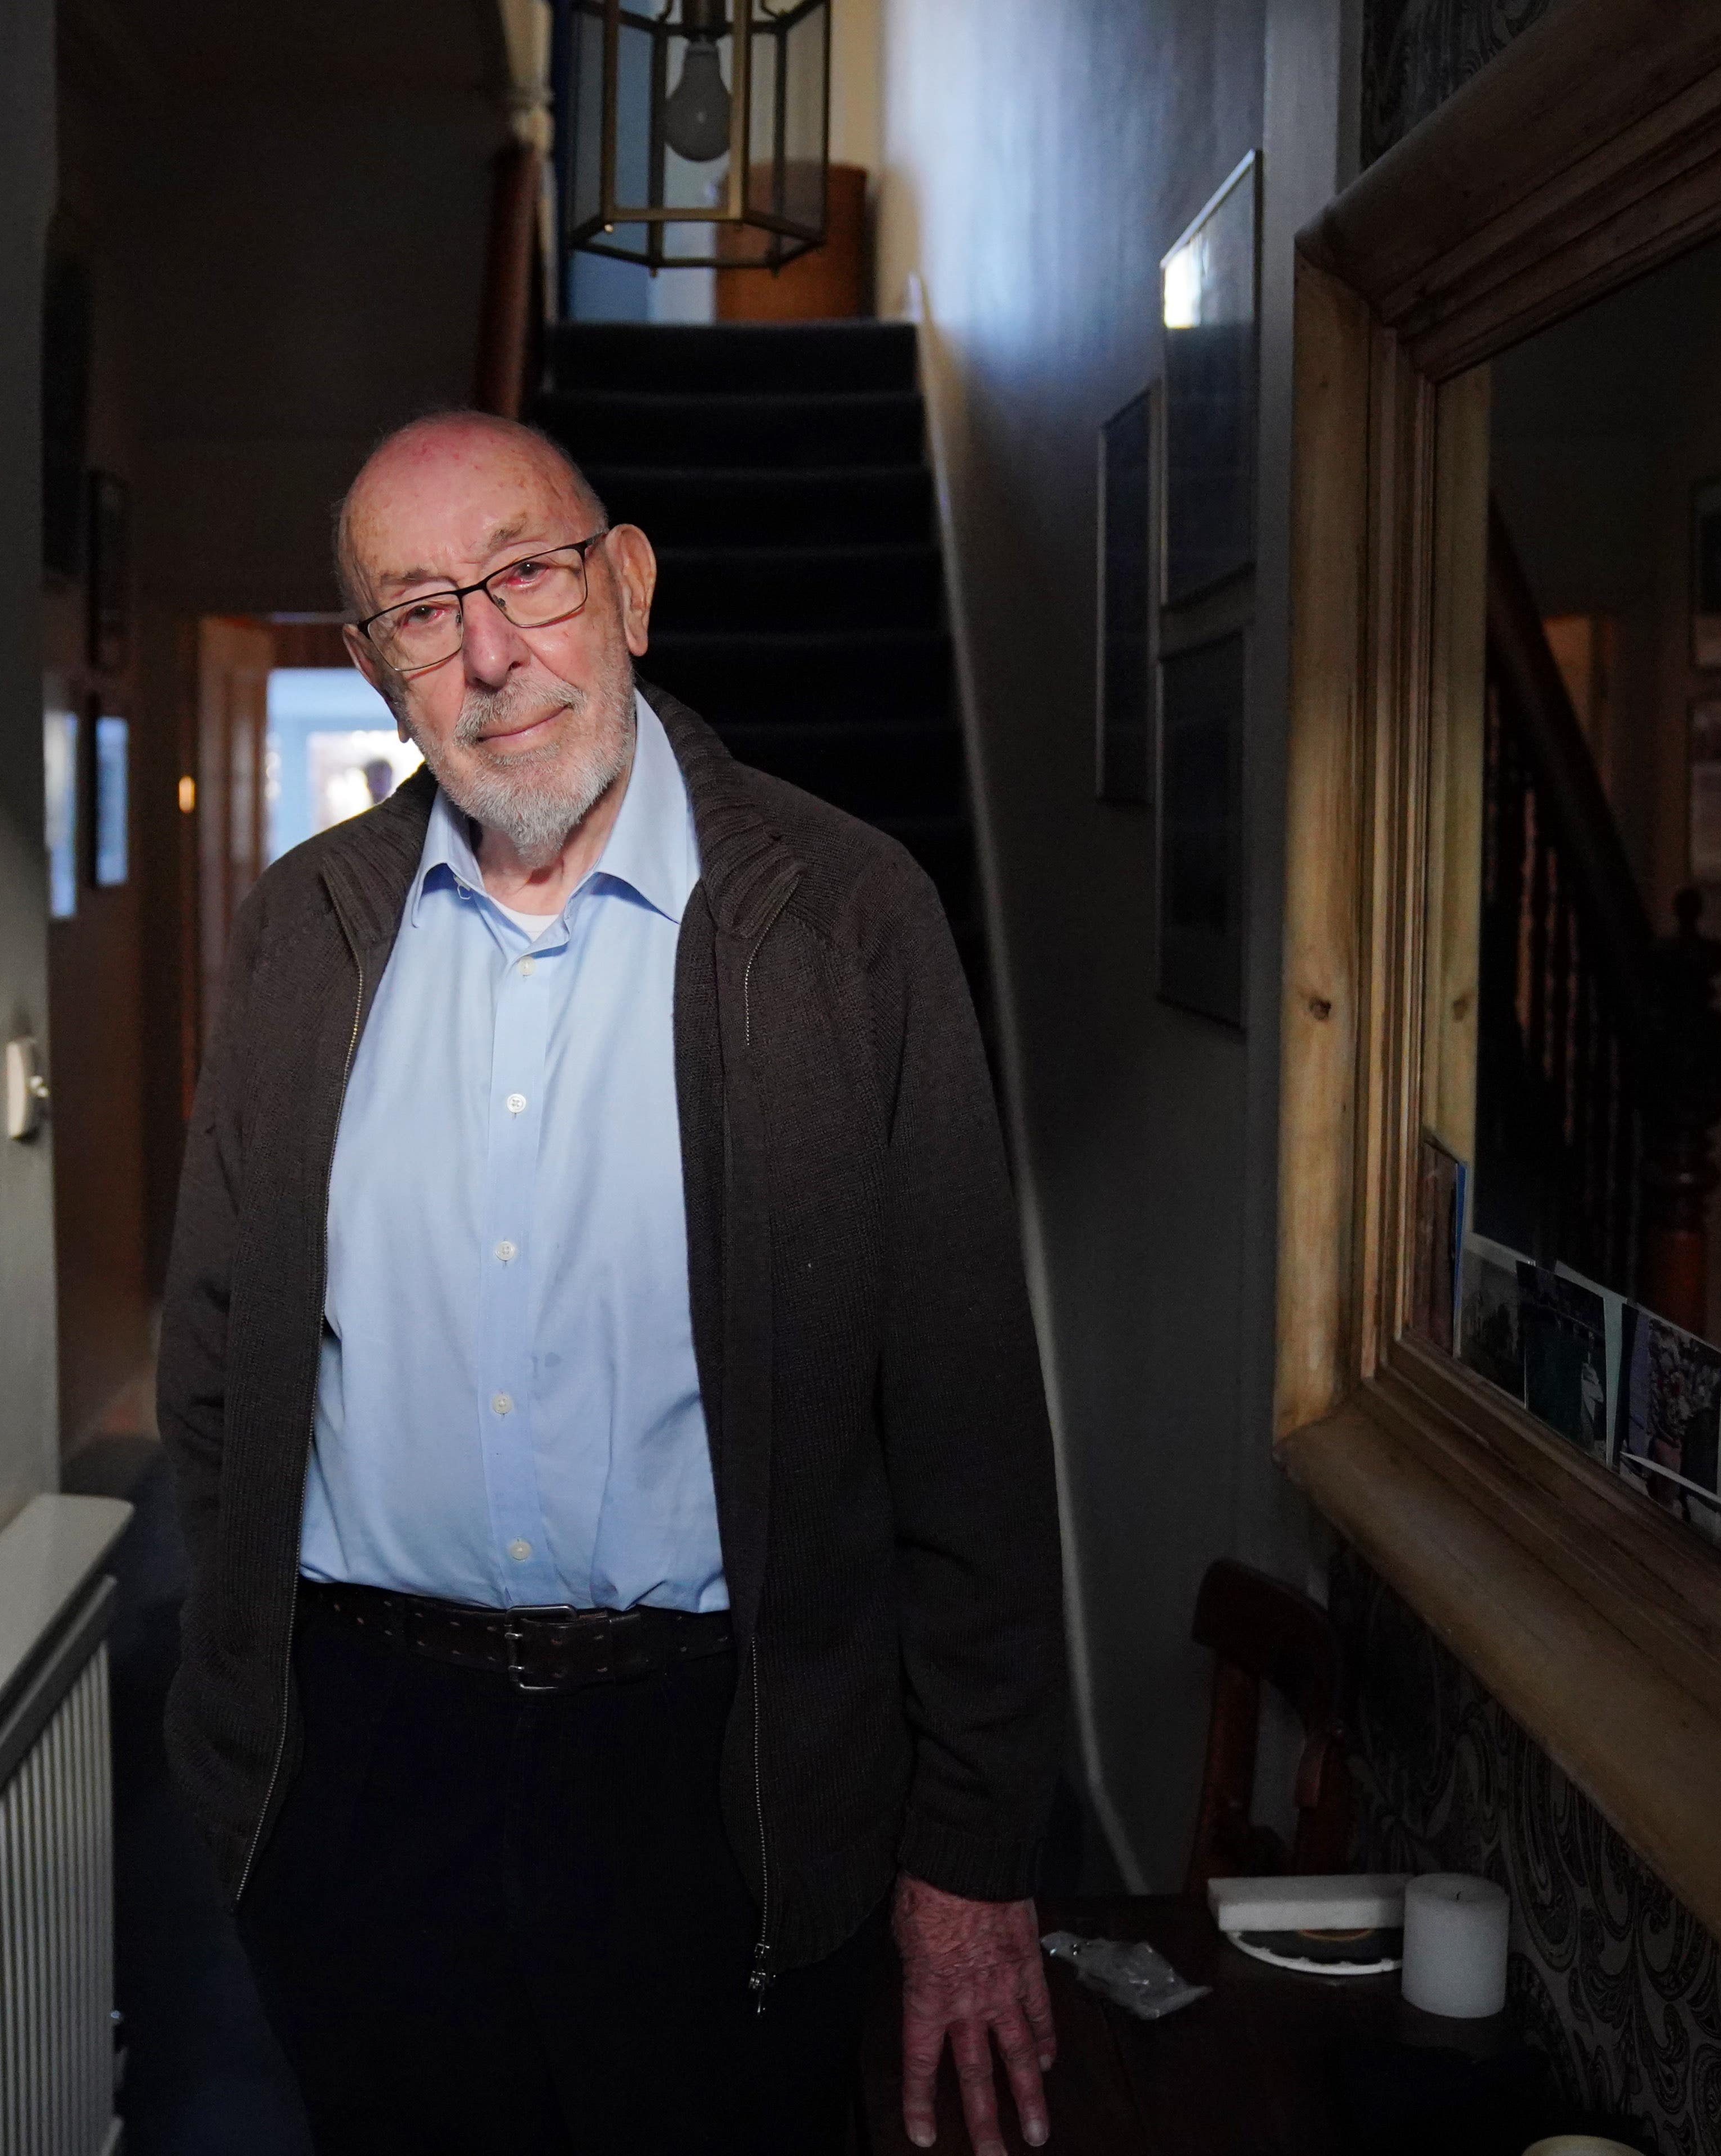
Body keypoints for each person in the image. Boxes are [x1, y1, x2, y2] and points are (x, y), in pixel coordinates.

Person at [160, 409, 1066, 2156]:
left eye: (528, 575)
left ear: (629, 585)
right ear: (374, 668)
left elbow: (964, 1428)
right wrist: (261, 1773)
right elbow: (215, 1373)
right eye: (423, 610)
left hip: (713, 1780)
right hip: (365, 1774)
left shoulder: (848, 924)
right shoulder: (304, 931)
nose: (491, 650)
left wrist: (969, 1849)